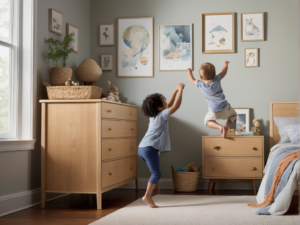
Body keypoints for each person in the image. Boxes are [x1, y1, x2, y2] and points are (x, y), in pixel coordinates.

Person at [139, 83, 185, 208]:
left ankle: (148, 196)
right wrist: (180, 90)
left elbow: (168, 105)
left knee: (155, 173)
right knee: (156, 174)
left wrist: (175, 90)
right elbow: (175, 105)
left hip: (142, 148)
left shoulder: (153, 116)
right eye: (163, 101)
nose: (166, 102)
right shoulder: (163, 115)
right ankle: (147, 196)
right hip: (149, 148)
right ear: (159, 108)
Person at [187, 61, 237, 138]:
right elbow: (224, 72)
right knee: (234, 115)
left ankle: (220, 127)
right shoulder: (216, 79)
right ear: (214, 75)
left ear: (201, 77)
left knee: (206, 121)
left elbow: (191, 80)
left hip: (213, 111)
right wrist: (225, 65)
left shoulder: (201, 84)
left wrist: (189, 71)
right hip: (225, 108)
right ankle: (226, 127)